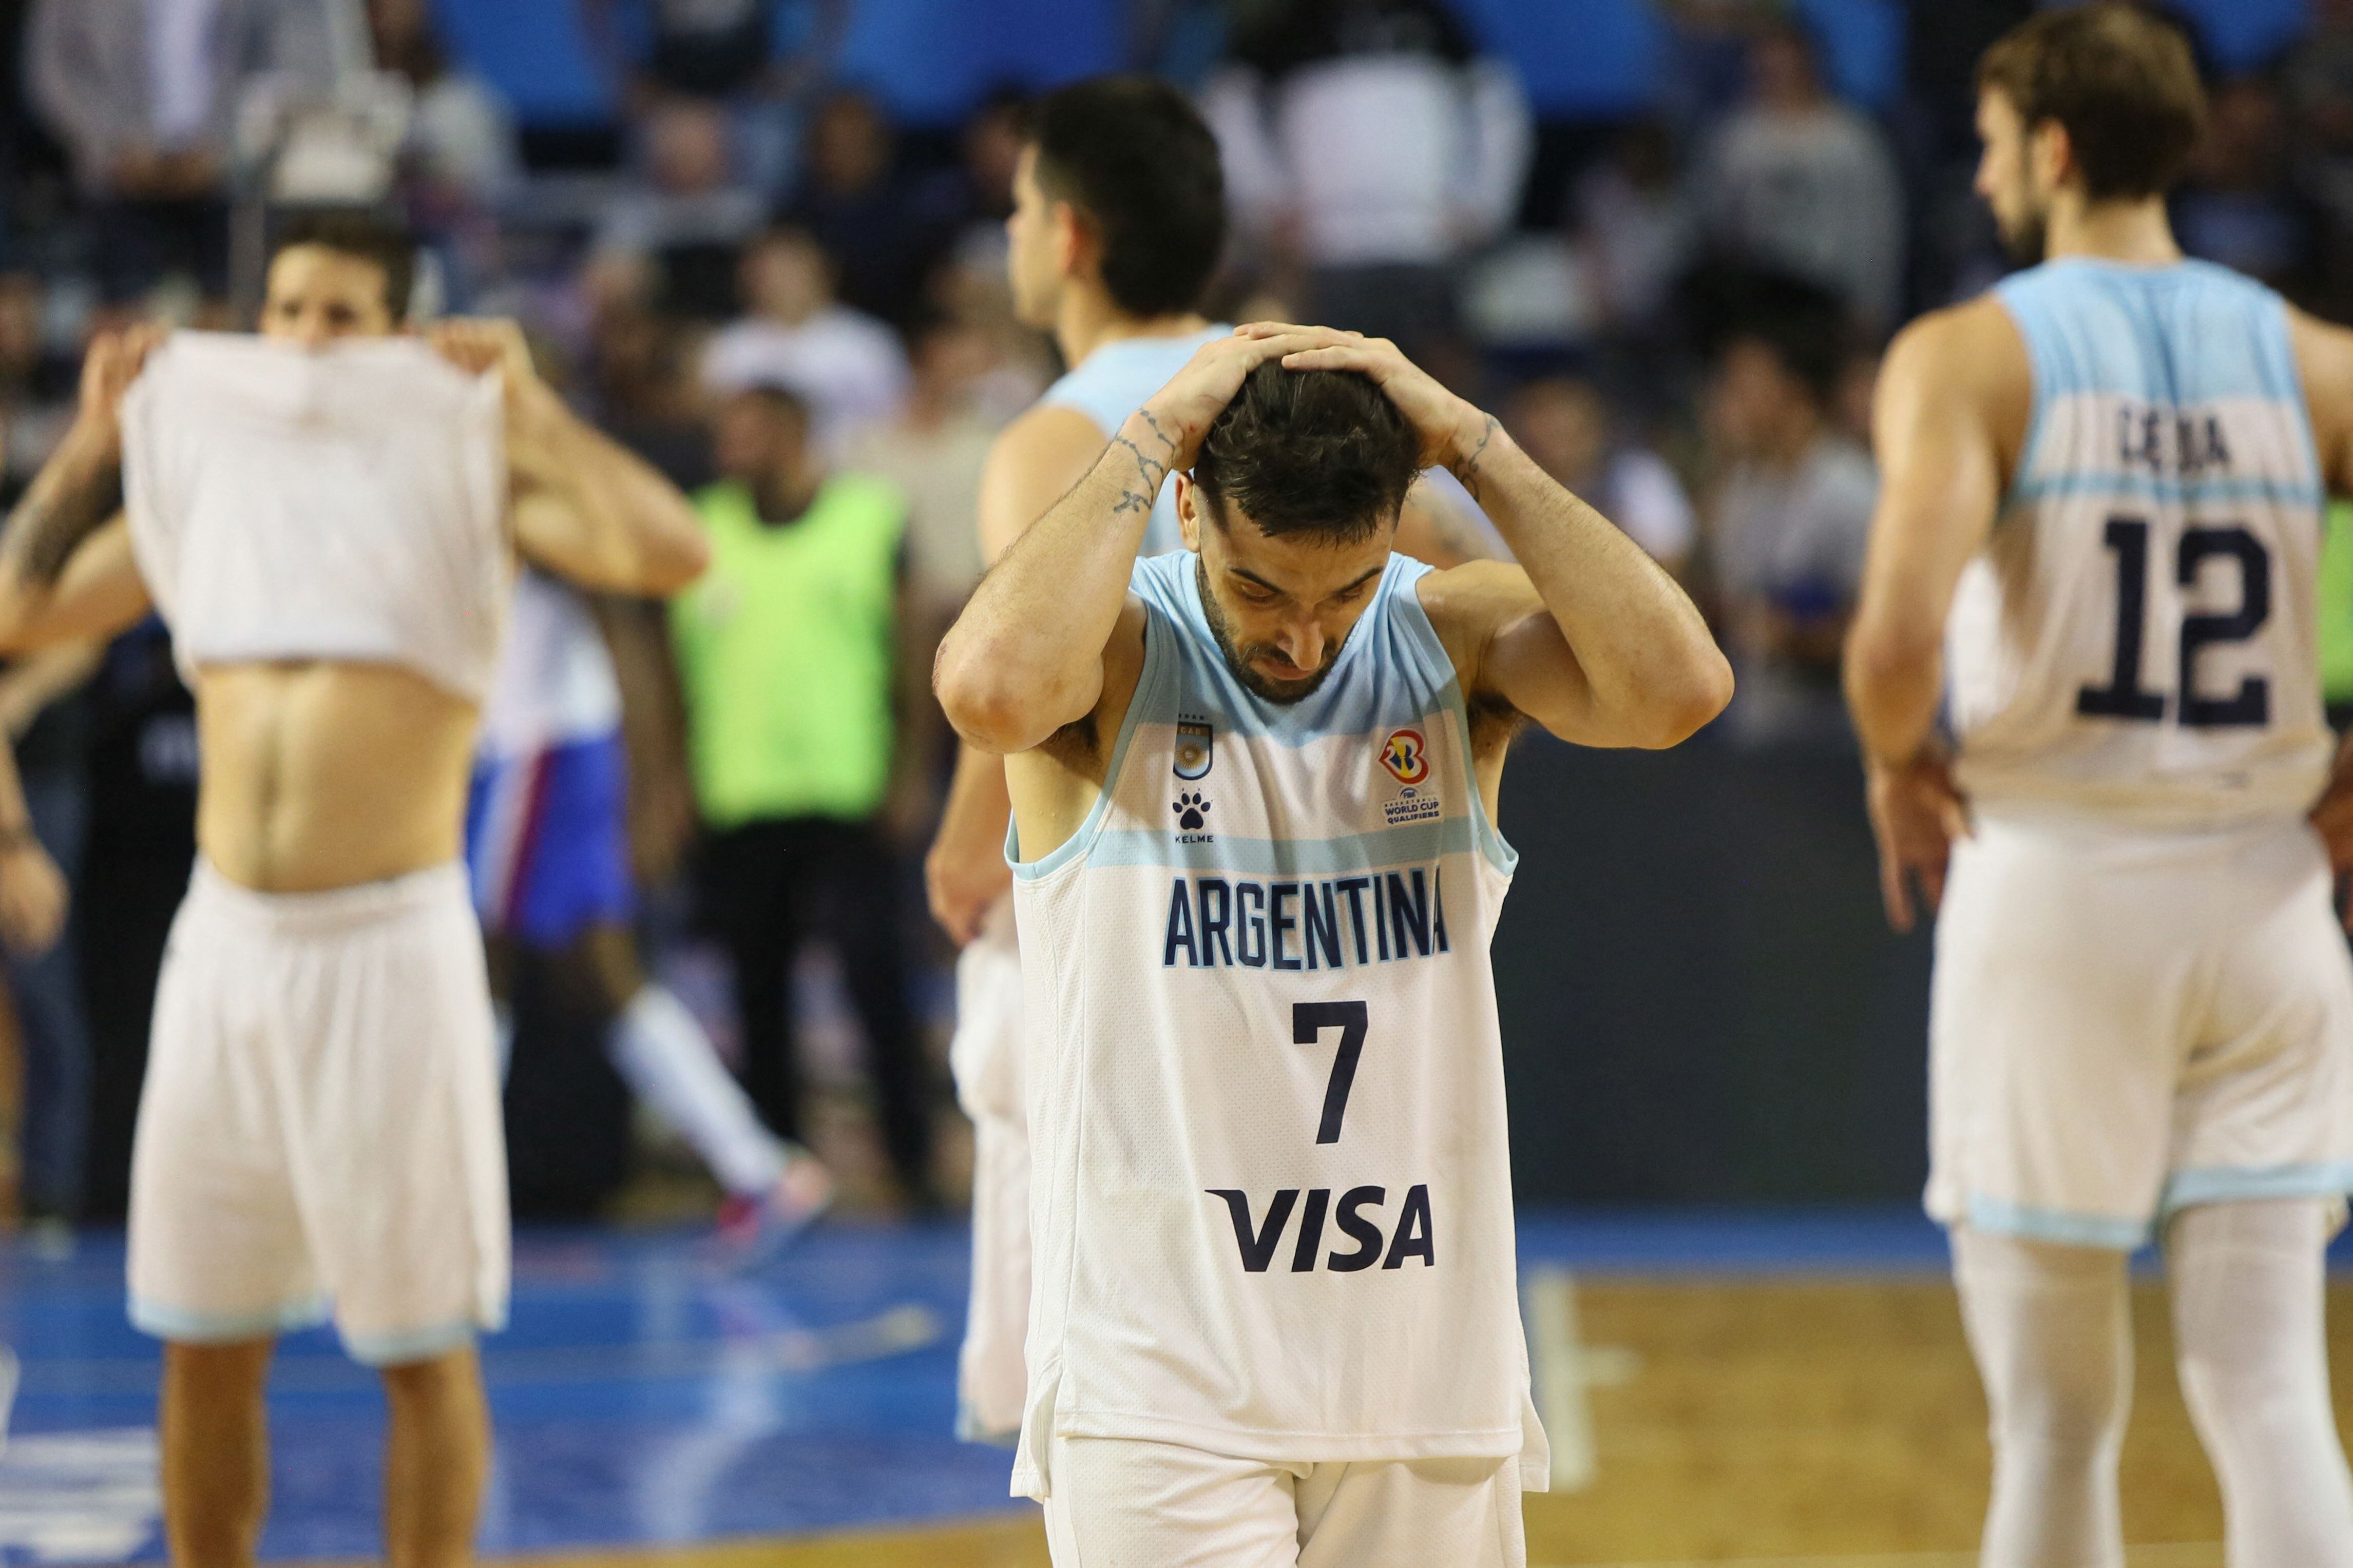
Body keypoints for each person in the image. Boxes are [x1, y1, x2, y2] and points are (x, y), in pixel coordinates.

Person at [934, 324, 1728, 1561]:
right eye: (1262, 589)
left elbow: (1678, 687)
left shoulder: (1448, 641)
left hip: (1417, 1364)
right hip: (1162, 1377)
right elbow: (983, 688)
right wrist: (1150, 434)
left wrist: (1473, 442)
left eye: (1342, 590)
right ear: (1188, 510)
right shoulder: (1115, 657)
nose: (1303, 637)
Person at [0, 211, 709, 1567]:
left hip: (389, 945)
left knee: (417, 1340)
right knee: (201, 1334)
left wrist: (531, 407)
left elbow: (670, 550)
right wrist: (94, 442)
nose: (308, 342)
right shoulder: (214, 485)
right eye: (286, 311)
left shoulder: (470, 467)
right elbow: (18, 611)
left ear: (395, 333)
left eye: (340, 316)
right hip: (224, 943)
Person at [1845, 8, 2353, 1565]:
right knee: (2270, 1385)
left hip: (2058, 882)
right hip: (2269, 897)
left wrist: (1893, 762)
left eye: (1995, 145)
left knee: (2057, 1423)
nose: (1986, 174)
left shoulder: (1969, 352)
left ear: (2051, 150)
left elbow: (1895, 636)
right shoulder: (2315, 357)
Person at [923, 74, 1494, 1448]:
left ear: (1064, 235)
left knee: (1100, 1339)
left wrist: (958, 846)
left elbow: (1021, 680)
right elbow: (1461, 592)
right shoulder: (1314, 395)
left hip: (1137, 892)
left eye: (1013, 210)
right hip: (1339, 896)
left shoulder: (1067, 438)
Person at [467, 567, 833, 1246]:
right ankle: (759, 1167)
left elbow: (616, 617)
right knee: (587, 977)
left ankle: (436, 1204)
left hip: (539, 745)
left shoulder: (528, 476)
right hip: (531, 743)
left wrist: (653, 780)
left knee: (488, 966)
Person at [670, 382, 940, 1211]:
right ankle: (779, 1171)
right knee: (756, 992)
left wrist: (907, 774)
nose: (732, 449)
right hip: (739, 794)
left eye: (750, 431)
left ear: (794, 432)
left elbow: (911, 652)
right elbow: (671, 670)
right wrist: (673, 780)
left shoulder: (867, 518)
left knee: (876, 981)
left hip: (847, 791)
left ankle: (913, 1161)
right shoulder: (698, 529)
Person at [1704, 284, 1877, 750]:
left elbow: (1887, 636)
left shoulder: (1852, 492)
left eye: (1743, 386)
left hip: (1837, 748)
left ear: (1793, 393)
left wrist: (1794, 637)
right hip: (1757, 733)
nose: (1726, 401)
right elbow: (1734, 609)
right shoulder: (1742, 487)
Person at [1698, 18, 1905, 331]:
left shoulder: (1851, 137)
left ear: (1809, 63)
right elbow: (1719, 224)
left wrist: (1874, 302)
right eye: (1767, 64)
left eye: (1787, 62)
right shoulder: (1736, 138)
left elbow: (1879, 225)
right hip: (1762, 303)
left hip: (1836, 297)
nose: (1779, 74)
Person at [700, 226, 909, 452]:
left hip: (853, 469)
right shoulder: (729, 346)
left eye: (789, 268)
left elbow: (897, 419)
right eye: (768, 270)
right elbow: (717, 423)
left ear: (821, 271)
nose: (779, 280)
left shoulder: (867, 342)